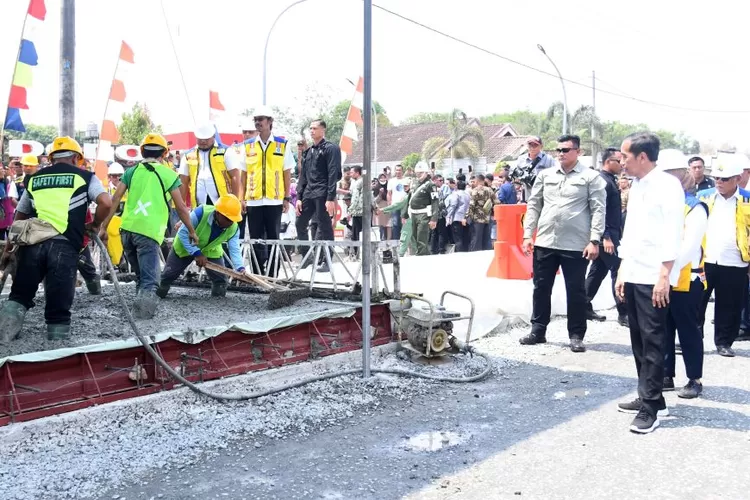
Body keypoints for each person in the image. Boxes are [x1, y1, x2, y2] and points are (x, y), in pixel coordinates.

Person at [0, 137, 111, 342]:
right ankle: (55, 349)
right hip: (64, 245)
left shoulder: (35, 179)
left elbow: (20, 216)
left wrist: (9, 249)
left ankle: (4, 339)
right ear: (77, 158)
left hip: (32, 245)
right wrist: (95, 225)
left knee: (19, 296)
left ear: (51, 159)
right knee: (59, 308)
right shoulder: (85, 177)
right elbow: (105, 202)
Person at [615, 132, 685, 434]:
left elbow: (673, 234)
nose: (621, 162)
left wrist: (664, 276)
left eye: (625, 157)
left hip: (654, 276)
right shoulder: (638, 184)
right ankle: (651, 397)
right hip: (634, 272)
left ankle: (650, 406)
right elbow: (631, 232)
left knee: (654, 340)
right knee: (639, 340)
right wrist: (622, 270)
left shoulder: (667, 186)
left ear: (642, 157)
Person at [520, 134, 606, 353]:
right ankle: (538, 330)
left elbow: (598, 210)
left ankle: (576, 335)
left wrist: (594, 240)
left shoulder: (591, 177)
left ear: (578, 151)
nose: (561, 154)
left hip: (575, 245)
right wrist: (528, 235)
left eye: (566, 150)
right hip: (546, 241)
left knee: (575, 291)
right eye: (558, 150)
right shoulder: (545, 175)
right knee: (541, 288)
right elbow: (534, 205)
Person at [101, 133, 196, 319]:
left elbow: (115, 199)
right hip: (147, 232)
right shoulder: (169, 174)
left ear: (142, 151)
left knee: (140, 278)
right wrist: (191, 231)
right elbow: (182, 207)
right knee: (150, 282)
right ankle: (143, 322)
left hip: (127, 231)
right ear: (164, 153)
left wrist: (104, 227)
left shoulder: (131, 171)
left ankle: (137, 316)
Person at [656, 149, 708, 399]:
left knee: (687, 329)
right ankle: (666, 374)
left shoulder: (694, 207)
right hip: (661, 278)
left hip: (686, 278)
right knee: (663, 328)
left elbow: (688, 249)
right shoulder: (660, 206)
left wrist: (666, 273)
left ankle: (694, 378)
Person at [696, 154, 750, 357]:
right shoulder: (704, 197)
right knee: (696, 302)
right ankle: (693, 339)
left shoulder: (747, 199)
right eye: (717, 178)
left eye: (724, 179)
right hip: (705, 260)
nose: (719, 182)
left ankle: (724, 342)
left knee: (729, 305)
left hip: (735, 261)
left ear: (737, 178)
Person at [231, 106, 295, 275]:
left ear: (270, 121)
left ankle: (273, 274)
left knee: (274, 238)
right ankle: (258, 272)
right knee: (255, 239)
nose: (258, 122)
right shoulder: (248, 146)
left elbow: (286, 172)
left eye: (261, 119)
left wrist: (287, 197)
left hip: (275, 199)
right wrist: (241, 198)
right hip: (253, 199)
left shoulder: (282, 145)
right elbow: (243, 174)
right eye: (256, 120)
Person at [157, 194, 245, 299]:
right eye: (228, 219)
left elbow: (234, 249)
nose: (231, 222)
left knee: (220, 280)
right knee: (167, 276)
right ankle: (155, 297)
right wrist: (197, 253)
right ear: (218, 213)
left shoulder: (234, 228)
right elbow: (182, 233)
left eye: (233, 220)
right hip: (186, 246)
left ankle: (218, 304)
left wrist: (240, 268)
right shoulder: (201, 213)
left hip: (210, 250)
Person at [584, 148, 628, 326]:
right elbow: (599, 211)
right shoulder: (603, 181)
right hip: (606, 235)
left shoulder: (609, 180)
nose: (622, 164)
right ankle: (624, 312)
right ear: (609, 162)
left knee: (598, 271)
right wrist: (606, 236)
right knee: (618, 271)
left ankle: (583, 305)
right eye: (619, 160)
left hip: (609, 233)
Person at [295, 119, 341, 272]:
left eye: (315, 128)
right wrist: (299, 197)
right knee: (300, 223)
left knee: (324, 225)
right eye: (310, 128)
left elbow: (334, 173)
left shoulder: (331, 148)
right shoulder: (308, 152)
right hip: (309, 191)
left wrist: (330, 198)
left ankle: (327, 260)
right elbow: (303, 176)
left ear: (323, 130)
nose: (312, 131)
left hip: (323, 192)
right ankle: (307, 255)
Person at [402, 162, 438, 256]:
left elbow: (435, 202)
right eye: (417, 173)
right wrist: (405, 214)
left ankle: (421, 256)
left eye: (421, 173)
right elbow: (409, 198)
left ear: (426, 173)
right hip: (413, 214)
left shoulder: (430, 185)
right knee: (414, 236)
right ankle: (424, 254)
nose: (419, 175)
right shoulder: (414, 183)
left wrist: (434, 219)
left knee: (422, 236)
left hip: (424, 214)